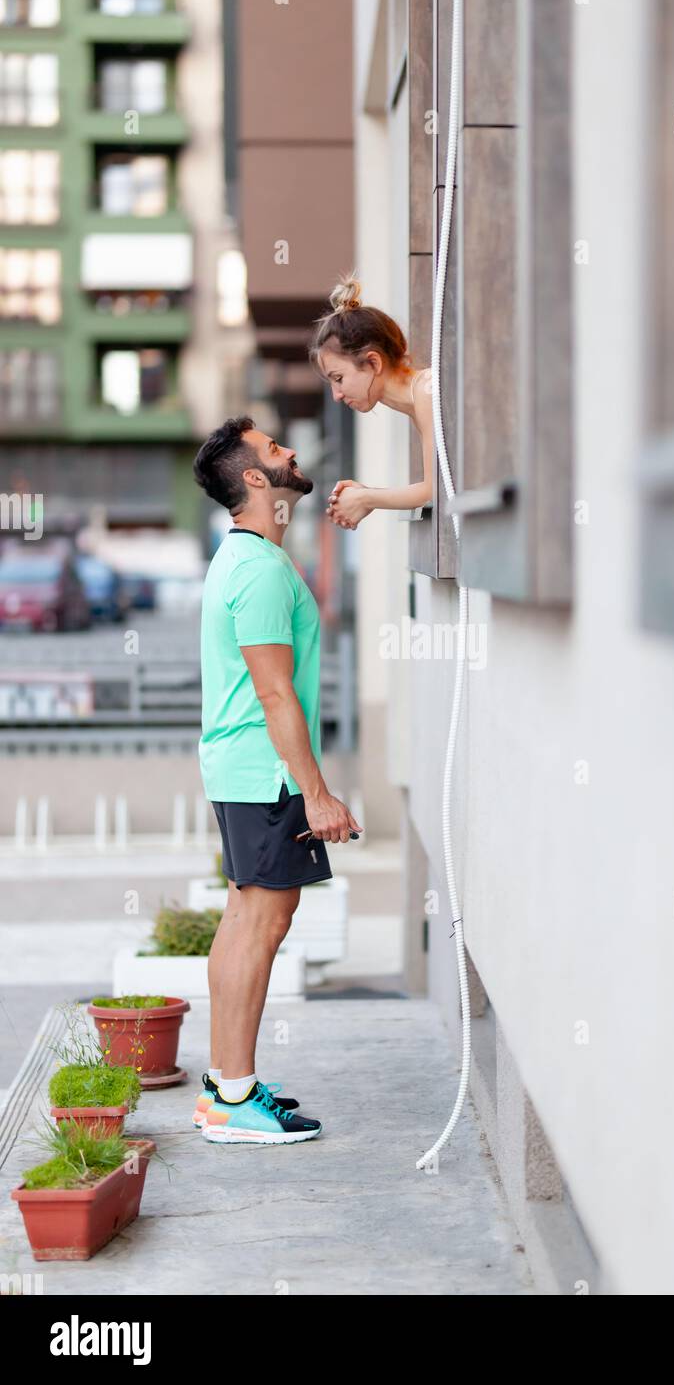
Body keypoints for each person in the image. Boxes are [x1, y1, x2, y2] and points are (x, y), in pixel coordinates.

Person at [191, 417, 363, 1145]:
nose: (290, 451)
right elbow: (275, 694)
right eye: (273, 449)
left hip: (242, 767)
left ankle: (226, 1084)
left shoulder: (244, 558)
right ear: (256, 480)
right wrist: (316, 792)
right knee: (262, 924)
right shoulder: (258, 570)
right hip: (265, 772)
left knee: (245, 920)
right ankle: (232, 1098)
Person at [308, 271, 435, 530]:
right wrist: (366, 495)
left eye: (339, 378)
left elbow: (434, 491)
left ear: (373, 362)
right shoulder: (417, 399)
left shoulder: (426, 392)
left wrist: (366, 498)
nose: (336, 395)